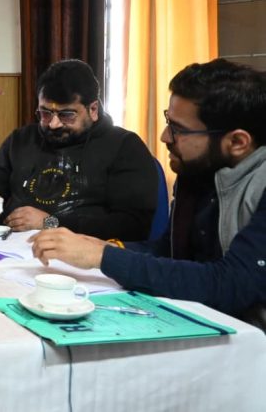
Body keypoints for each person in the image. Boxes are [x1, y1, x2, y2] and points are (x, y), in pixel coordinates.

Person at [31, 59, 266, 325]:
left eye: (178, 130)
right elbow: (169, 251)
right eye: (169, 122)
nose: (165, 137)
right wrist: (103, 247)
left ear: (237, 142)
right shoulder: (199, 173)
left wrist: (102, 257)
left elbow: (233, 284)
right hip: (197, 320)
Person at [0, 59, 157, 240]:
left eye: (66, 115)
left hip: (81, 254)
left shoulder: (124, 146)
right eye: (45, 113)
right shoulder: (21, 140)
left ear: (93, 109)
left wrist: (50, 223)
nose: (53, 124)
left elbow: (134, 226)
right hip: (10, 249)